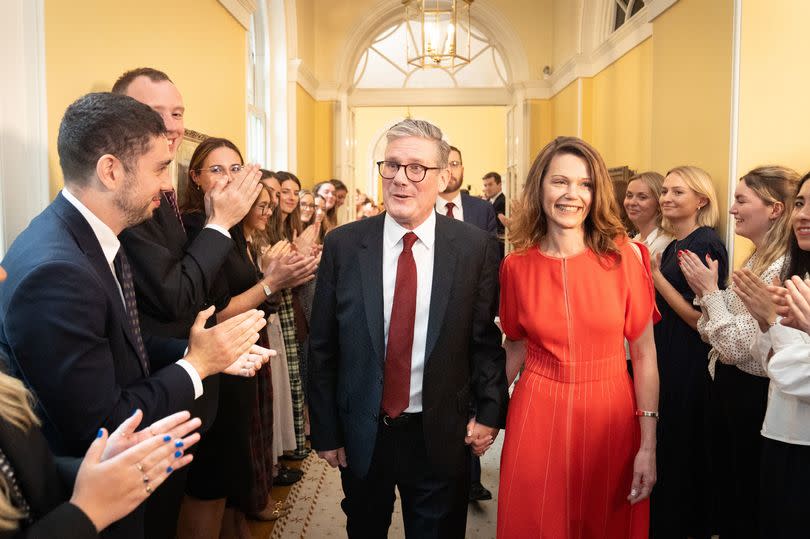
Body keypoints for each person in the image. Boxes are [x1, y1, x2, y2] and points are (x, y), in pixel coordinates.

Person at [0, 92, 269, 538]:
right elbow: (100, 422)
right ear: (111, 170)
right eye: (161, 169)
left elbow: (119, 342)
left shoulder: (97, 235)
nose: (169, 186)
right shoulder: (57, 271)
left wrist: (197, 350)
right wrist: (196, 366)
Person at [309, 119, 509, 538]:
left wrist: (490, 412)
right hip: (363, 430)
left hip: (439, 433)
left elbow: (483, 341)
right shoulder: (345, 245)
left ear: (442, 177)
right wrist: (326, 429)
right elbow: (324, 345)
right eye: (392, 166)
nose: (401, 178)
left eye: (416, 168)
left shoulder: (475, 249)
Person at [113, 67, 263, 539]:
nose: (172, 125)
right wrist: (220, 225)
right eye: (156, 113)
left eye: (177, 112)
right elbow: (176, 293)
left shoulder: (163, 194)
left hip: (188, 376)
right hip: (150, 396)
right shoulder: (130, 199)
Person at [496, 136, 659, 537]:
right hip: (537, 408)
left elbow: (644, 355)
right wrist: (483, 412)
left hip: (612, 414)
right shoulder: (515, 267)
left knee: (606, 523)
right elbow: (514, 346)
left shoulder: (626, 257)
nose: (573, 195)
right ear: (539, 187)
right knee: (535, 523)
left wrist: (648, 444)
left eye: (585, 184)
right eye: (560, 182)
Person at [679, 166, 798, 538]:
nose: (731, 209)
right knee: (729, 496)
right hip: (730, 389)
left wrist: (710, 292)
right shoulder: (755, 259)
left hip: (751, 396)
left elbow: (735, 347)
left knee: (744, 502)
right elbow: (707, 330)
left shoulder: (781, 268)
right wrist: (713, 304)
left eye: (741, 200)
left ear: (774, 209)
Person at [649, 165, 728, 539]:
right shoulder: (678, 244)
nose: (666, 198)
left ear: (701, 200)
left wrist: (654, 276)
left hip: (688, 363)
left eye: (678, 192)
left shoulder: (704, 244)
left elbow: (701, 321)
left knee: (682, 449)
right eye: (664, 191)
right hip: (667, 358)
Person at [734, 170, 810, 538]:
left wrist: (771, 322)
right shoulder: (799, 273)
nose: (802, 215)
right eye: (801, 203)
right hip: (779, 430)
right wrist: (768, 324)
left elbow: (798, 377)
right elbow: (766, 361)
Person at [436, 146, 500, 503]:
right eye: (445, 163)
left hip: (475, 314)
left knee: (472, 397)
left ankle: (471, 478)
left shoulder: (480, 209)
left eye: (456, 162)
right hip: (436, 318)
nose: (451, 169)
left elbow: (492, 260)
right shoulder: (423, 206)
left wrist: (490, 310)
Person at [435, 146, 497, 237]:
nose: (449, 171)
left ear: (462, 170)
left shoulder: (484, 210)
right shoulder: (419, 211)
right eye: (443, 165)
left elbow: (491, 250)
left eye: (454, 164)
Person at [623, 171, 674, 257]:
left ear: (659, 203)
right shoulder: (636, 239)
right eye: (629, 195)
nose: (632, 202)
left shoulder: (664, 244)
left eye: (642, 197)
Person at [482, 171, 506, 256]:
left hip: (499, 248)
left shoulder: (502, 202)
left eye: (490, 184)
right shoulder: (489, 201)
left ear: (499, 185)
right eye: (485, 185)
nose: (487, 188)